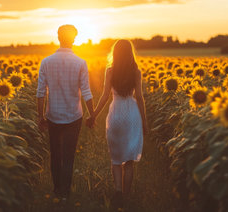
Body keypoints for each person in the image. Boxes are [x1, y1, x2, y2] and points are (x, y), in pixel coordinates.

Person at [36, 24, 94, 200]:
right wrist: (92, 114)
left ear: (58, 37)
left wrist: (40, 117)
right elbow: (86, 92)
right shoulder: (80, 62)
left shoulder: (46, 62)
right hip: (73, 115)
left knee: (55, 153)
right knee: (69, 154)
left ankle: (57, 189)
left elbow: (40, 93)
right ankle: (65, 193)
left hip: (53, 114)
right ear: (74, 39)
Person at [87, 39, 147, 203]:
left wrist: (94, 115)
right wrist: (144, 122)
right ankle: (127, 196)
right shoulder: (136, 71)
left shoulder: (110, 71)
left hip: (116, 115)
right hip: (132, 115)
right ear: (130, 53)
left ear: (115, 53)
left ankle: (118, 193)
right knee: (128, 161)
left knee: (115, 159)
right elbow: (140, 98)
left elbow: (105, 96)